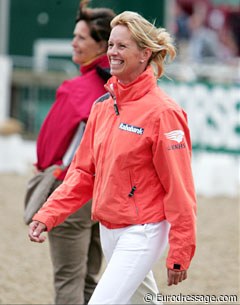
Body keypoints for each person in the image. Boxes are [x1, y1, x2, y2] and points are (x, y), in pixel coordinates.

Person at [29, 10, 197, 304]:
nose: (113, 53)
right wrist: (48, 214)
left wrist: (181, 249)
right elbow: (82, 173)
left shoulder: (164, 113)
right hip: (109, 228)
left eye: (122, 46)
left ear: (145, 53)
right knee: (143, 300)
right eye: (111, 45)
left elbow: (179, 188)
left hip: (143, 230)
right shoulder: (102, 107)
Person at [32, 1, 116, 303]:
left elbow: (47, 150)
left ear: (101, 45)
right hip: (107, 192)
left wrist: (44, 169)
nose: (73, 42)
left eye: (81, 37)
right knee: (92, 280)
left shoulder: (76, 89)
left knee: (68, 278)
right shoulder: (121, 89)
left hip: (73, 191)